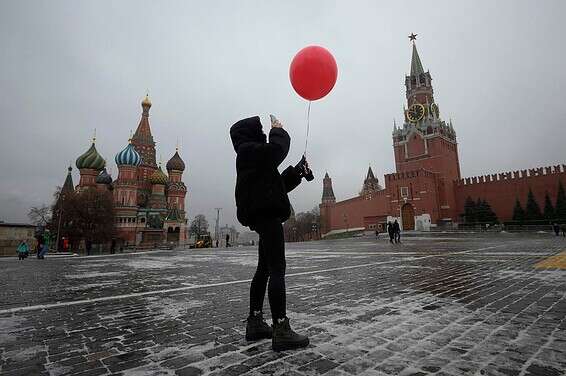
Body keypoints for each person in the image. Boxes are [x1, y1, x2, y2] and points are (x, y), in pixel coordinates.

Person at [230, 115, 312, 352]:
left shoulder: (251, 157)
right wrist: (279, 131)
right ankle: (281, 329)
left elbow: (275, 185)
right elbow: (276, 151)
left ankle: (255, 323)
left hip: (263, 214)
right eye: (261, 131)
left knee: (264, 269)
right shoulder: (248, 151)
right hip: (267, 216)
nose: (264, 134)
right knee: (277, 269)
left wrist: (297, 172)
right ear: (250, 134)